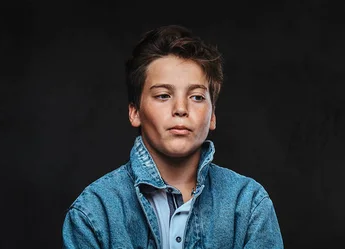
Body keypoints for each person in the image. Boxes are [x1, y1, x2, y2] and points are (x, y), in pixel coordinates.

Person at [62, 25, 284, 249]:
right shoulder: (93, 212)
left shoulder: (249, 205)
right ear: (135, 112)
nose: (180, 108)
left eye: (197, 97)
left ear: (213, 115)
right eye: (163, 95)